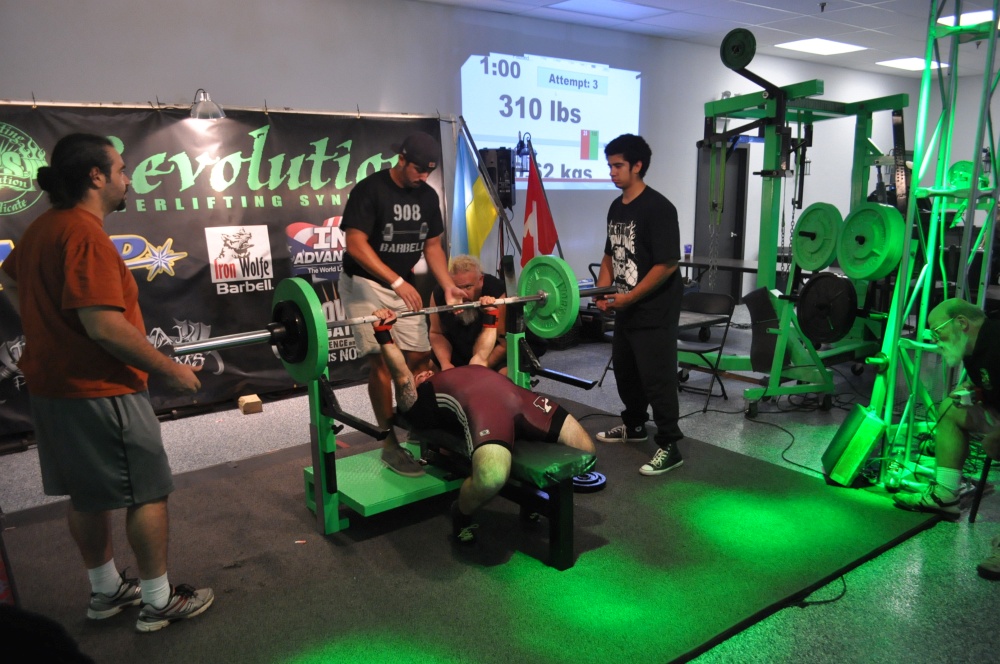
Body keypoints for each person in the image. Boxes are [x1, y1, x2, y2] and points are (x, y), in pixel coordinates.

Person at [0, 133, 214, 631]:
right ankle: (158, 601)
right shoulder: (86, 236)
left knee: (87, 494)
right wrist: (173, 371)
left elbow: (9, 280)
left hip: (53, 390)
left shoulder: (43, 228)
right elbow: (104, 327)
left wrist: (48, 325)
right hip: (102, 390)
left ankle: (105, 591)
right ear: (96, 177)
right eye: (120, 169)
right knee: (148, 491)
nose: (127, 178)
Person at [370, 298, 596, 544]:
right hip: (486, 413)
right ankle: (462, 513)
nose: (424, 372)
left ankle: (531, 498)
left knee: (586, 450)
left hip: (522, 402)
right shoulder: (418, 399)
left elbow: (481, 352)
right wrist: (384, 333)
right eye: (419, 375)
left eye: (427, 370)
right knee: (491, 478)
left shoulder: (466, 369)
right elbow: (401, 374)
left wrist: (490, 316)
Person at [339, 131, 466, 478]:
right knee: (383, 362)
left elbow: (433, 246)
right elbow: (355, 244)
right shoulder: (370, 190)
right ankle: (389, 442)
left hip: (402, 284)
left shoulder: (427, 196)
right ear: (402, 159)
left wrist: (448, 286)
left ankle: (419, 426)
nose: (423, 177)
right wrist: (396, 281)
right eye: (418, 169)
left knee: (419, 359)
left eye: (429, 171)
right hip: (364, 283)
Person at [593, 133, 685, 477]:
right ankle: (634, 426)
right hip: (626, 308)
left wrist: (630, 297)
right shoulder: (616, 206)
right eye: (610, 166)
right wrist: (603, 292)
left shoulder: (660, 209)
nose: (612, 172)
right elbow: (609, 255)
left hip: (654, 310)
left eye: (618, 166)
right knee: (627, 372)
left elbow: (667, 264)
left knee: (657, 379)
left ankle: (670, 445)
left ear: (637, 166)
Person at [894, 298, 1000, 580]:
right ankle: (945, 494)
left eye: (936, 330)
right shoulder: (974, 348)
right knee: (949, 409)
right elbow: (989, 382)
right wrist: (973, 390)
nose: (934, 337)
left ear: (961, 323)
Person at [429, 254, 507, 373]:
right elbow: (436, 333)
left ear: (480, 280)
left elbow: (503, 345)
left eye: (468, 287)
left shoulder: (496, 292)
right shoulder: (440, 292)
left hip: (490, 353)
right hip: (456, 350)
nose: (463, 294)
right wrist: (446, 364)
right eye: (457, 287)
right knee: (428, 368)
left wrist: (475, 370)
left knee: (504, 374)